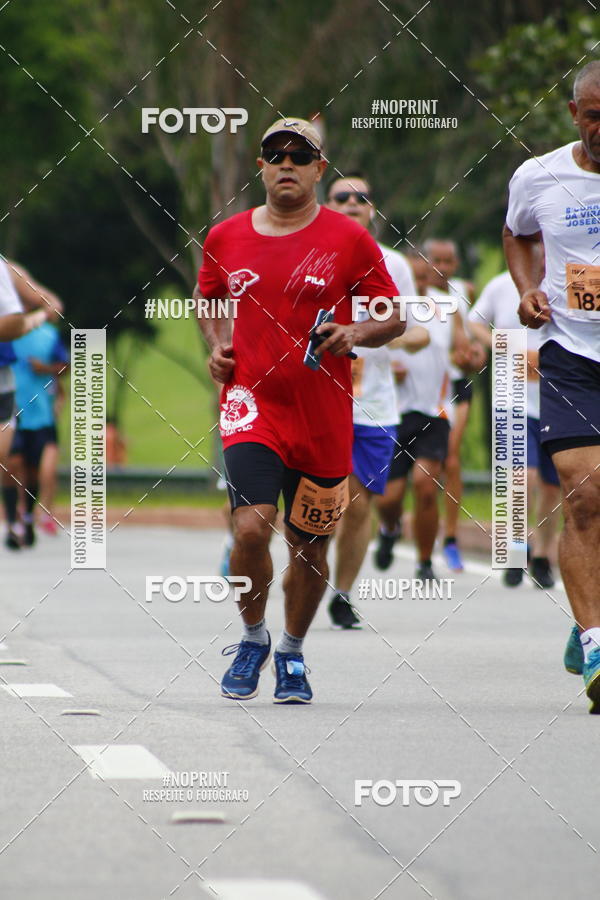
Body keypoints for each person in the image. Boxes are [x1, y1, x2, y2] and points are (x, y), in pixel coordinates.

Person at [196, 118, 404, 703]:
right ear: (260, 167)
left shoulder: (348, 240)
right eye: (274, 154)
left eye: (300, 155)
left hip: (323, 418)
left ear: (319, 169)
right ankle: (253, 636)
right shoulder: (226, 236)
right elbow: (209, 293)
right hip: (250, 407)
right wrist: (218, 345)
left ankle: (290, 652)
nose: (286, 163)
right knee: (250, 526)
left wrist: (356, 331)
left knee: (310, 547)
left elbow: (394, 316)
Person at [503, 60, 600, 712]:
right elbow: (516, 235)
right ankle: (596, 644)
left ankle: (583, 609)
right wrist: (527, 289)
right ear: (573, 113)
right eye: (594, 113)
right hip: (570, 354)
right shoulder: (538, 176)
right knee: (585, 493)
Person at [324, 172, 429, 628]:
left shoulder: (393, 264)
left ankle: (342, 593)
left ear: (373, 210)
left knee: (358, 503)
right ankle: (310, 577)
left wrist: (393, 341)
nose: (352, 203)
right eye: (341, 197)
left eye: (361, 198)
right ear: (326, 205)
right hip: (319, 397)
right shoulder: (313, 254)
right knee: (322, 501)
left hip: (375, 405)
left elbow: (418, 329)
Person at [374, 249, 473, 581]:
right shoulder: (384, 308)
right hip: (394, 413)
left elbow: (464, 354)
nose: (417, 283)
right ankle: (389, 529)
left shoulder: (447, 308)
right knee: (388, 499)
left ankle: (425, 561)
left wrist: (470, 356)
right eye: (411, 277)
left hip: (435, 411)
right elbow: (366, 357)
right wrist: (391, 369)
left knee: (426, 485)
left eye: (422, 277)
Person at [469, 269, 560, 589]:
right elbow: (474, 321)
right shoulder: (500, 284)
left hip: (557, 401)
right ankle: (517, 548)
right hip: (513, 400)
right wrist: (502, 344)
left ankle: (543, 556)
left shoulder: (564, 280)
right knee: (523, 477)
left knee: (552, 488)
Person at [423, 239, 485, 571]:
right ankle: (422, 529)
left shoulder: (464, 292)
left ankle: (450, 539)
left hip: (457, 386)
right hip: (425, 388)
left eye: (448, 262)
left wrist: (474, 354)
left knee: (451, 457)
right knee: (426, 467)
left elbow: (471, 343)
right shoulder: (415, 295)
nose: (442, 268)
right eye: (437, 261)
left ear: (456, 264)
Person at [2, 320, 69, 548]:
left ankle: (28, 517)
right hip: (11, 412)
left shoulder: (49, 335)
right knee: (12, 462)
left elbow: (65, 366)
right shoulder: (6, 332)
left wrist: (46, 369)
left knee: (33, 470)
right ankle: (13, 521)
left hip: (41, 417)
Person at [0, 258, 62, 472]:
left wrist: (45, 309)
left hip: (6, 383)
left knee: (12, 458)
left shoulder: (6, 269)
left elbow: (52, 304)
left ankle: (20, 507)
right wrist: (42, 314)